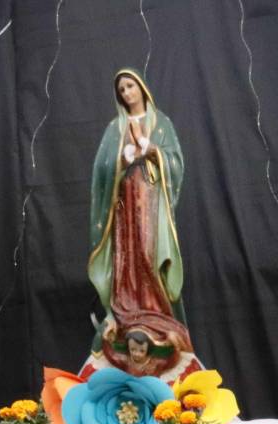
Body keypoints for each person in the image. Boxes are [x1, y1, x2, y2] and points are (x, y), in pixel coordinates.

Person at [87, 69, 185, 336]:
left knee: (148, 252)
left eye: (130, 86)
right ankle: (127, 314)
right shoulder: (115, 128)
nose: (127, 93)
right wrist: (123, 160)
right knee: (126, 255)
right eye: (122, 90)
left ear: (141, 87)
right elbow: (101, 169)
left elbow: (176, 162)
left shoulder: (161, 124)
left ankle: (155, 312)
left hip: (151, 202)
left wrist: (153, 151)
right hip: (123, 203)